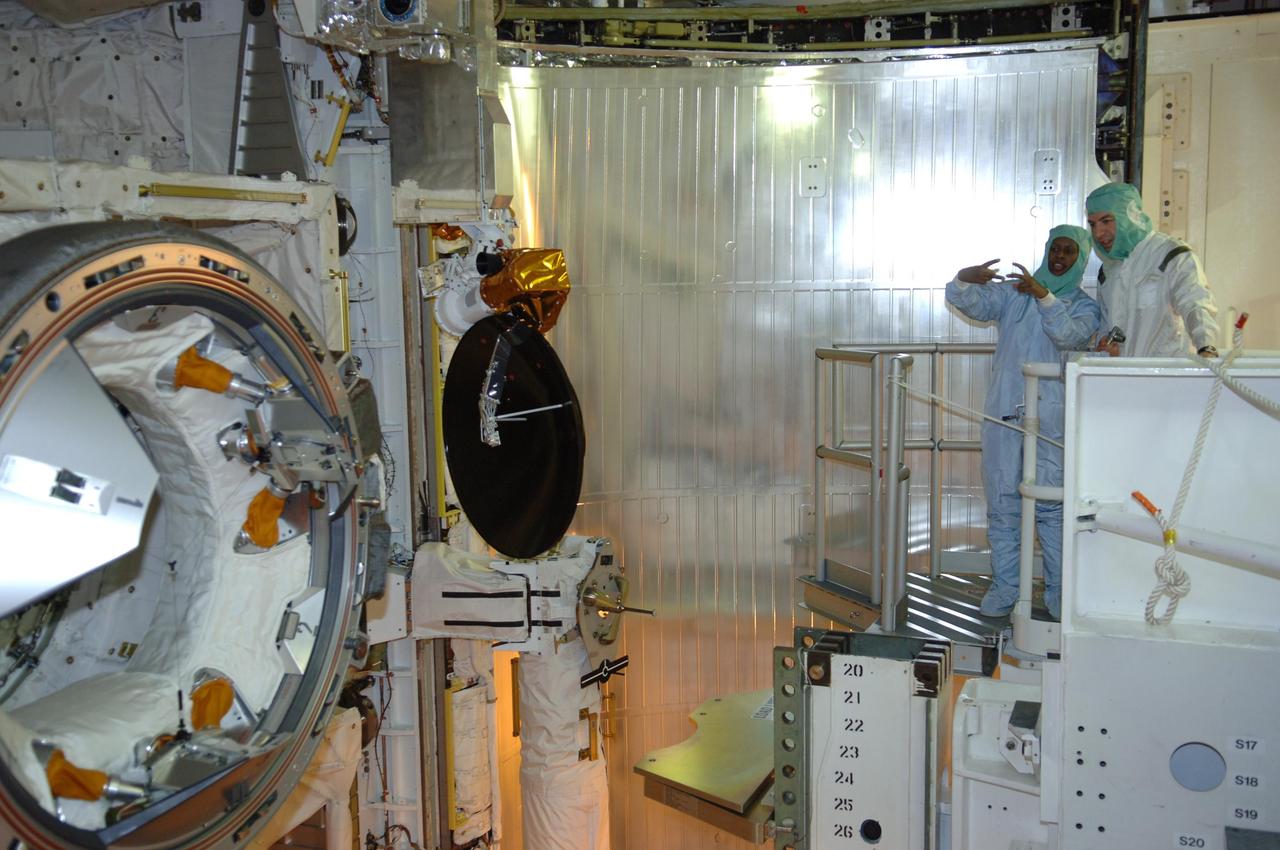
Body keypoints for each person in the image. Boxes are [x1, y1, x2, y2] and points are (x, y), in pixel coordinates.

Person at [946, 226, 1102, 620]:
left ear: (1080, 259)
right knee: (1003, 505)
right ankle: (1006, 589)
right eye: (1055, 249)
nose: (1059, 257)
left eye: (1068, 251)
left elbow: (1069, 336)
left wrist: (1045, 297)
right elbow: (973, 303)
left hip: (1050, 424)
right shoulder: (1015, 296)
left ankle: (1058, 594)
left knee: (1051, 508)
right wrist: (964, 278)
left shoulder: (1084, 307)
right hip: (1004, 416)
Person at [1085, 182, 1220, 357]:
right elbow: (1106, 323)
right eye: (1093, 224)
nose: (1098, 233)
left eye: (1106, 221)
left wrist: (1206, 346)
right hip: (1122, 376)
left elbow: (1196, 304)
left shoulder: (1171, 255)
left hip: (1166, 376)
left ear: (1129, 216)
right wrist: (1105, 343)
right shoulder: (1108, 270)